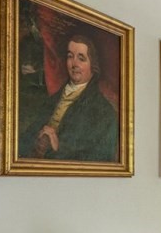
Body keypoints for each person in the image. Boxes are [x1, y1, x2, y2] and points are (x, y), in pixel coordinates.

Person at [19, 34, 118, 162]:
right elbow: (25, 139)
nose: (74, 64)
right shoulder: (52, 100)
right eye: (70, 56)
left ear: (93, 65)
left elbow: (100, 160)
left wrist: (58, 148)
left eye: (81, 58)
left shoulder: (104, 112)